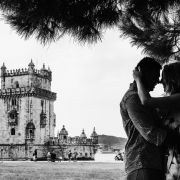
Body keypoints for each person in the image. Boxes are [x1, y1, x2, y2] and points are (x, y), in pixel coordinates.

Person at [120, 57, 169, 180]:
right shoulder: (133, 98)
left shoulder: (141, 97)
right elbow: (150, 133)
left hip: (149, 163)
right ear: (142, 73)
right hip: (142, 162)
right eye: (155, 76)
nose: (157, 81)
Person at [133, 61, 180, 180]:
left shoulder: (178, 99)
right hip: (171, 161)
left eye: (163, 78)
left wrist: (138, 79)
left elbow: (146, 101)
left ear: (172, 79)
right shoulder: (169, 104)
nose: (160, 82)